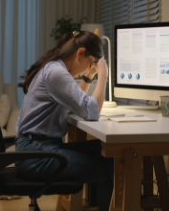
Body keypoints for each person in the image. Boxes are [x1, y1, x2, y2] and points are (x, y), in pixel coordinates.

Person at [15, 31, 113, 211]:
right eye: (90, 64)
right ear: (80, 53)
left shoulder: (54, 67)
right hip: (36, 155)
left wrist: (89, 76)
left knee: (108, 152)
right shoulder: (56, 72)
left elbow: (75, 102)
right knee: (107, 172)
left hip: (38, 148)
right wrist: (103, 76)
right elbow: (92, 111)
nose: (87, 68)